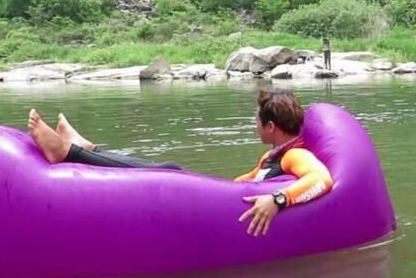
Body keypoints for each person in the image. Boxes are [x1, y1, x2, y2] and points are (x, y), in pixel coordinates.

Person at [26, 88, 333, 235]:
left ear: (270, 127)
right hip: (220, 205)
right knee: (172, 172)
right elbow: (238, 185)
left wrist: (277, 200)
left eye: (257, 120)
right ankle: (87, 150)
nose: (254, 125)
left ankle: (71, 152)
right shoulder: (271, 156)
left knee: (170, 172)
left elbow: (321, 180)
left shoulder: (295, 154)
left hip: (224, 222)